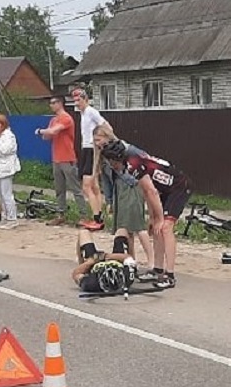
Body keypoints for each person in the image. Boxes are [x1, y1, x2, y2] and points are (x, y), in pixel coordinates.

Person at [100, 138, 191, 290]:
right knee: (156, 227)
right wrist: (153, 217)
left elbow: (152, 191)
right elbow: (147, 192)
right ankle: (158, 269)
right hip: (164, 189)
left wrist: (161, 218)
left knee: (165, 228)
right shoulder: (130, 164)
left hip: (179, 186)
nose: (110, 165)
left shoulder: (134, 164)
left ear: (116, 158)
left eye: (110, 161)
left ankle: (170, 276)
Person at [91, 124, 154, 266]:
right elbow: (106, 180)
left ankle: (152, 261)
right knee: (125, 227)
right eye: (95, 140)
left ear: (107, 136)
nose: (97, 143)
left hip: (132, 186)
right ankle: (130, 259)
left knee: (138, 225)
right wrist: (109, 200)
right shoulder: (102, 156)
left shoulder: (123, 148)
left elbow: (143, 157)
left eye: (99, 139)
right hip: (118, 190)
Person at [36, 95, 88, 227]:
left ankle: (83, 215)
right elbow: (47, 137)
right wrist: (46, 132)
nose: (51, 105)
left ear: (60, 103)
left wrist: (41, 131)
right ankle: (61, 214)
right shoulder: (53, 120)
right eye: (50, 103)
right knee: (59, 189)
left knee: (75, 188)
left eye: (53, 103)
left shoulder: (66, 118)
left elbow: (53, 131)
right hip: (56, 158)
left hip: (67, 158)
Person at [71, 87, 109, 230]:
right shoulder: (83, 114)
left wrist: (109, 141)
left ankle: (96, 219)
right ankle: (98, 215)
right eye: (75, 101)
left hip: (91, 149)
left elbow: (105, 125)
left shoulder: (91, 112)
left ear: (85, 99)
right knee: (94, 185)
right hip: (86, 148)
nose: (77, 104)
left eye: (79, 100)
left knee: (86, 186)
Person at [70, 227, 138, 294]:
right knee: (122, 231)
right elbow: (128, 257)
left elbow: (75, 274)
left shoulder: (91, 284)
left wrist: (90, 262)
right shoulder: (127, 277)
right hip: (116, 260)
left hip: (94, 263)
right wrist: (105, 256)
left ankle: (81, 263)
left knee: (83, 233)